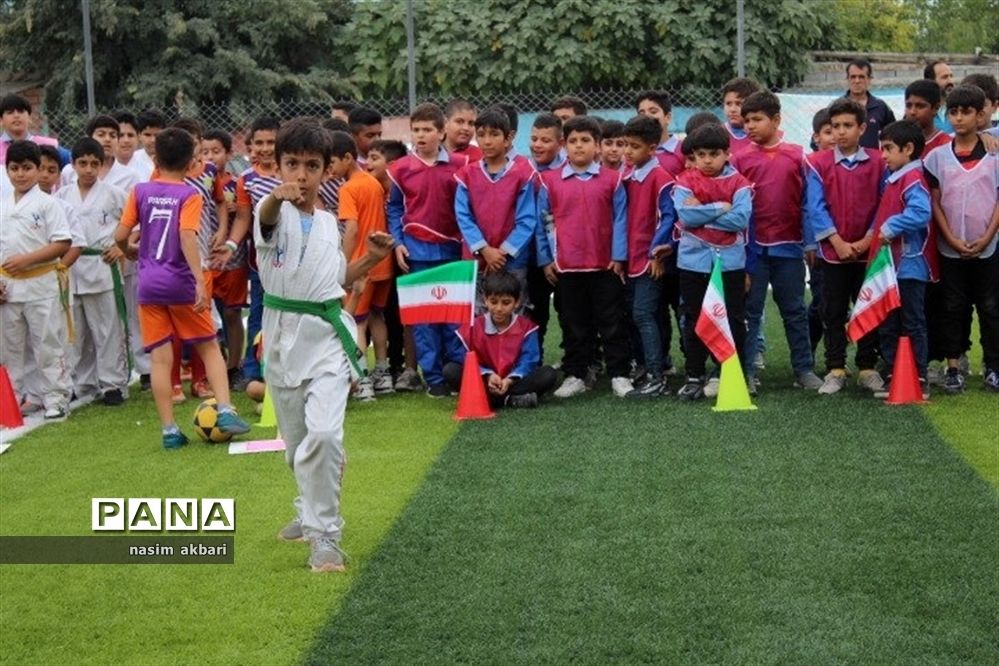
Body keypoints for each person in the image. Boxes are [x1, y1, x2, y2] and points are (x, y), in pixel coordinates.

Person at [255, 119, 394, 572]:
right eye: (291, 164)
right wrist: (277, 196)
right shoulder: (270, 212)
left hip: (328, 337)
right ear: (277, 167)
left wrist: (370, 259)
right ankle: (308, 506)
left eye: (311, 166)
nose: (300, 174)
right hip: (281, 336)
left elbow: (334, 281)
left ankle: (325, 537)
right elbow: (267, 217)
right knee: (297, 447)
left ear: (326, 170)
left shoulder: (329, 222)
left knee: (325, 435)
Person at [113, 128, 250, 448]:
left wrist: (128, 248)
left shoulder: (140, 190)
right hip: (183, 282)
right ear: (192, 162)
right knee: (209, 346)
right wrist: (199, 282)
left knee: (161, 360)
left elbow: (122, 233)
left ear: (156, 159)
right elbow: (188, 237)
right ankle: (226, 409)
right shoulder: (188, 195)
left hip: (149, 284)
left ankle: (170, 431)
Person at [731, 91, 823, 392]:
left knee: (794, 310)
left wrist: (810, 243)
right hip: (753, 252)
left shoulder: (797, 156)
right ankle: (747, 373)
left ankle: (804, 369)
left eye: (757, 119)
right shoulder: (739, 160)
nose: (750, 126)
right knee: (751, 312)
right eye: (746, 121)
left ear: (776, 120)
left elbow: (808, 204)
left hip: (789, 247)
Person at [537, 115, 633, 398]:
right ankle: (577, 373)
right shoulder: (549, 182)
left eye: (586, 140)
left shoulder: (613, 180)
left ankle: (619, 374)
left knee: (612, 322)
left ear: (598, 146)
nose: (579, 146)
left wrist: (619, 256)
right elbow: (542, 222)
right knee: (573, 323)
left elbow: (620, 220)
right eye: (574, 141)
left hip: (605, 266)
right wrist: (546, 259)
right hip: (567, 267)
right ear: (564, 145)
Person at [657, 124, 752, 401]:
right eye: (701, 154)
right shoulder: (684, 181)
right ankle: (694, 375)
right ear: (693, 156)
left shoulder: (740, 183)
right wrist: (721, 207)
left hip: (730, 262)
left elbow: (740, 219)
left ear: (727, 154)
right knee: (694, 318)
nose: (707, 160)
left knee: (733, 318)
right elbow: (685, 216)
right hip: (693, 263)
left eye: (714, 154)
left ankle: (732, 372)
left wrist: (703, 210)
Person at [805, 98, 886, 395]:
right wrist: (836, 242)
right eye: (835, 126)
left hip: (868, 253)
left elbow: (884, 204)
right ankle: (836, 368)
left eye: (847, 126)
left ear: (862, 128)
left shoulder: (879, 161)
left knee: (867, 307)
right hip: (833, 253)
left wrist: (867, 239)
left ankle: (867, 367)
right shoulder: (816, 163)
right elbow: (815, 207)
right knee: (832, 310)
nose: (840, 132)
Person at [387, 102, 468, 397]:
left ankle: (456, 374)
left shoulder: (460, 167)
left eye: (427, 129)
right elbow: (394, 209)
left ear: (441, 131)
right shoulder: (400, 169)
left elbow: (466, 209)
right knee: (424, 321)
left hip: (453, 252)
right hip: (417, 254)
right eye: (416, 130)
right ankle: (434, 379)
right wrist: (398, 244)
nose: (421, 135)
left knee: (454, 317)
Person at [923, 85, 999, 393]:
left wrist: (986, 238)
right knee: (953, 306)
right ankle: (953, 366)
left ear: (981, 115)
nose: (958, 118)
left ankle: (993, 366)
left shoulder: (994, 156)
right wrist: (951, 239)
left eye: (966, 111)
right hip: (950, 247)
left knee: (992, 306)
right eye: (952, 112)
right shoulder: (937, 158)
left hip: (989, 246)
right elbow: (935, 203)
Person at [0, 140, 73, 420]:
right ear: (7, 171)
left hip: (41, 284)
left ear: (38, 169)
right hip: (9, 288)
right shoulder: (4, 204)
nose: (21, 174)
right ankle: (15, 397)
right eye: (15, 168)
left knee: (47, 343)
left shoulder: (48, 204)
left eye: (27, 168)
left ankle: (56, 396)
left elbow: (62, 243)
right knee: (12, 348)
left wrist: (26, 260)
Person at [55, 137, 130, 406]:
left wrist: (121, 248)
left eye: (94, 164)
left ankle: (113, 383)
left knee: (108, 328)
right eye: (82, 163)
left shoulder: (114, 194)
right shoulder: (61, 196)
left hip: (102, 265)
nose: (88, 169)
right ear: (73, 164)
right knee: (77, 331)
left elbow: (137, 222)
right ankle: (82, 381)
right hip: (72, 269)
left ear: (102, 165)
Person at [327, 130, 396, 400]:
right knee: (378, 317)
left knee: (357, 321)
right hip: (383, 261)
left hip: (362, 263)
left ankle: (362, 378)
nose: (329, 168)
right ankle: (384, 374)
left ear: (347, 158)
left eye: (331, 162)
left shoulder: (348, 188)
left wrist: (342, 263)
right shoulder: (373, 182)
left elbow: (352, 229)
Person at [869, 120, 935, 398]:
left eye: (888, 149)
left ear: (908, 149)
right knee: (890, 321)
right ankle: (896, 373)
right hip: (892, 268)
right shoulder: (897, 177)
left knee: (911, 321)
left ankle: (917, 377)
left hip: (909, 266)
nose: (882, 155)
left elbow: (921, 213)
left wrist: (891, 227)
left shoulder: (912, 177)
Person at [216, 116, 282, 389]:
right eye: (260, 143)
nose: (266, 148)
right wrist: (231, 245)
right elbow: (243, 217)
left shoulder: (291, 173)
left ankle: (287, 369)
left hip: (293, 259)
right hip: (261, 262)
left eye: (271, 142)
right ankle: (253, 372)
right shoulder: (247, 179)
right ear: (251, 146)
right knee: (258, 315)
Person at [455, 107, 537, 310]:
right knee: (479, 316)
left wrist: (502, 253)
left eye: (494, 134)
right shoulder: (466, 174)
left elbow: (527, 220)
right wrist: (484, 250)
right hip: (476, 260)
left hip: (511, 263)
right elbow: (463, 215)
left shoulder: (523, 173)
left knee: (513, 315)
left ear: (508, 138)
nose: (487, 141)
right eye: (481, 135)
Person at [620, 115, 677, 398]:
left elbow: (668, 218)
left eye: (634, 147)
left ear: (652, 149)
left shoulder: (661, 178)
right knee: (642, 314)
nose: (627, 152)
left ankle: (657, 376)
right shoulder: (629, 176)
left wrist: (657, 253)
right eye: (625, 145)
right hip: (631, 259)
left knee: (644, 314)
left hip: (649, 260)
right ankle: (652, 368)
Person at [442, 271, 556, 407]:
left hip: (514, 380)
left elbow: (529, 360)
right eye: (493, 302)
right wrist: (487, 374)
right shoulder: (475, 325)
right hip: (484, 379)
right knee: (450, 370)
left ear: (517, 302)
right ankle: (510, 400)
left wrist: (509, 380)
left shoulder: (527, 328)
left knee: (548, 374)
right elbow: (461, 355)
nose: (499, 308)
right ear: (485, 300)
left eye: (506, 303)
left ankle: (493, 399)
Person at [364, 138, 419, 392]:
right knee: (383, 313)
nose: (367, 164)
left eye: (374, 158)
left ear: (394, 164)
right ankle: (385, 368)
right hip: (378, 264)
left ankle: (404, 367)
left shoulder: (402, 192)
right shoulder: (371, 190)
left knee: (403, 314)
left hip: (403, 258)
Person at [525, 113, 566, 357]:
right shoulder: (523, 169)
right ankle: (532, 361)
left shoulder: (567, 170)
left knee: (569, 309)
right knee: (534, 310)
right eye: (534, 138)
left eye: (545, 140)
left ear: (560, 143)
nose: (537, 145)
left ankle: (580, 365)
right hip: (529, 255)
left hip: (563, 257)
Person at [842, 58, 896, 149]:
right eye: (853, 77)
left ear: (869, 79)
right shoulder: (837, 107)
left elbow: (894, 136)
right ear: (847, 79)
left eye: (861, 77)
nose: (857, 81)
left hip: (874, 161)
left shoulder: (880, 107)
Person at [0, 94, 62, 166]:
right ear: (1, 120)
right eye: (10, 112)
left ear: (30, 117)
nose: (16, 116)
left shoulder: (49, 145)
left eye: (21, 111)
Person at [636, 90, 684, 176]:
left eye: (653, 112)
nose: (647, 116)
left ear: (668, 118)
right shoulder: (632, 152)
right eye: (642, 113)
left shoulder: (683, 150)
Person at [904, 79, 952, 158]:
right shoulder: (898, 143)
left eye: (920, 106)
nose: (912, 112)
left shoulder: (946, 146)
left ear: (936, 108)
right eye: (908, 105)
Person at [721, 77, 763, 155]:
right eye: (728, 104)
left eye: (739, 104)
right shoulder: (718, 134)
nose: (732, 109)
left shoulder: (763, 136)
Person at [132, 108, 167, 181]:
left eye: (157, 135)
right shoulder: (132, 160)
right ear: (139, 135)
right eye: (147, 135)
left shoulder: (174, 159)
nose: (153, 140)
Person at [925, 60, 956, 133]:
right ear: (931, 81)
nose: (950, 81)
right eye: (944, 77)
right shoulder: (922, 112)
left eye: (951, 76)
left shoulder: (959, 108)